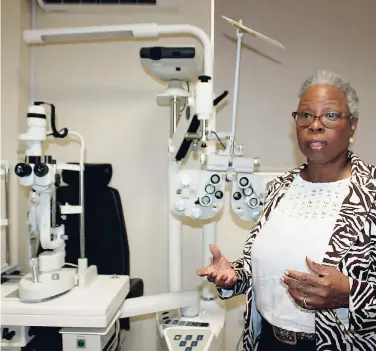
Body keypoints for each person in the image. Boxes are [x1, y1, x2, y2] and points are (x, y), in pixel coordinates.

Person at [196, 70, 376, 351]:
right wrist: (233, 275)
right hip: (268, 342)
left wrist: (350, 295)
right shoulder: (280, 188)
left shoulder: (372, 191)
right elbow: (262, 270)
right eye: (305, 115)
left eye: (330, 115)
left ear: (352, 125)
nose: (314, 125)